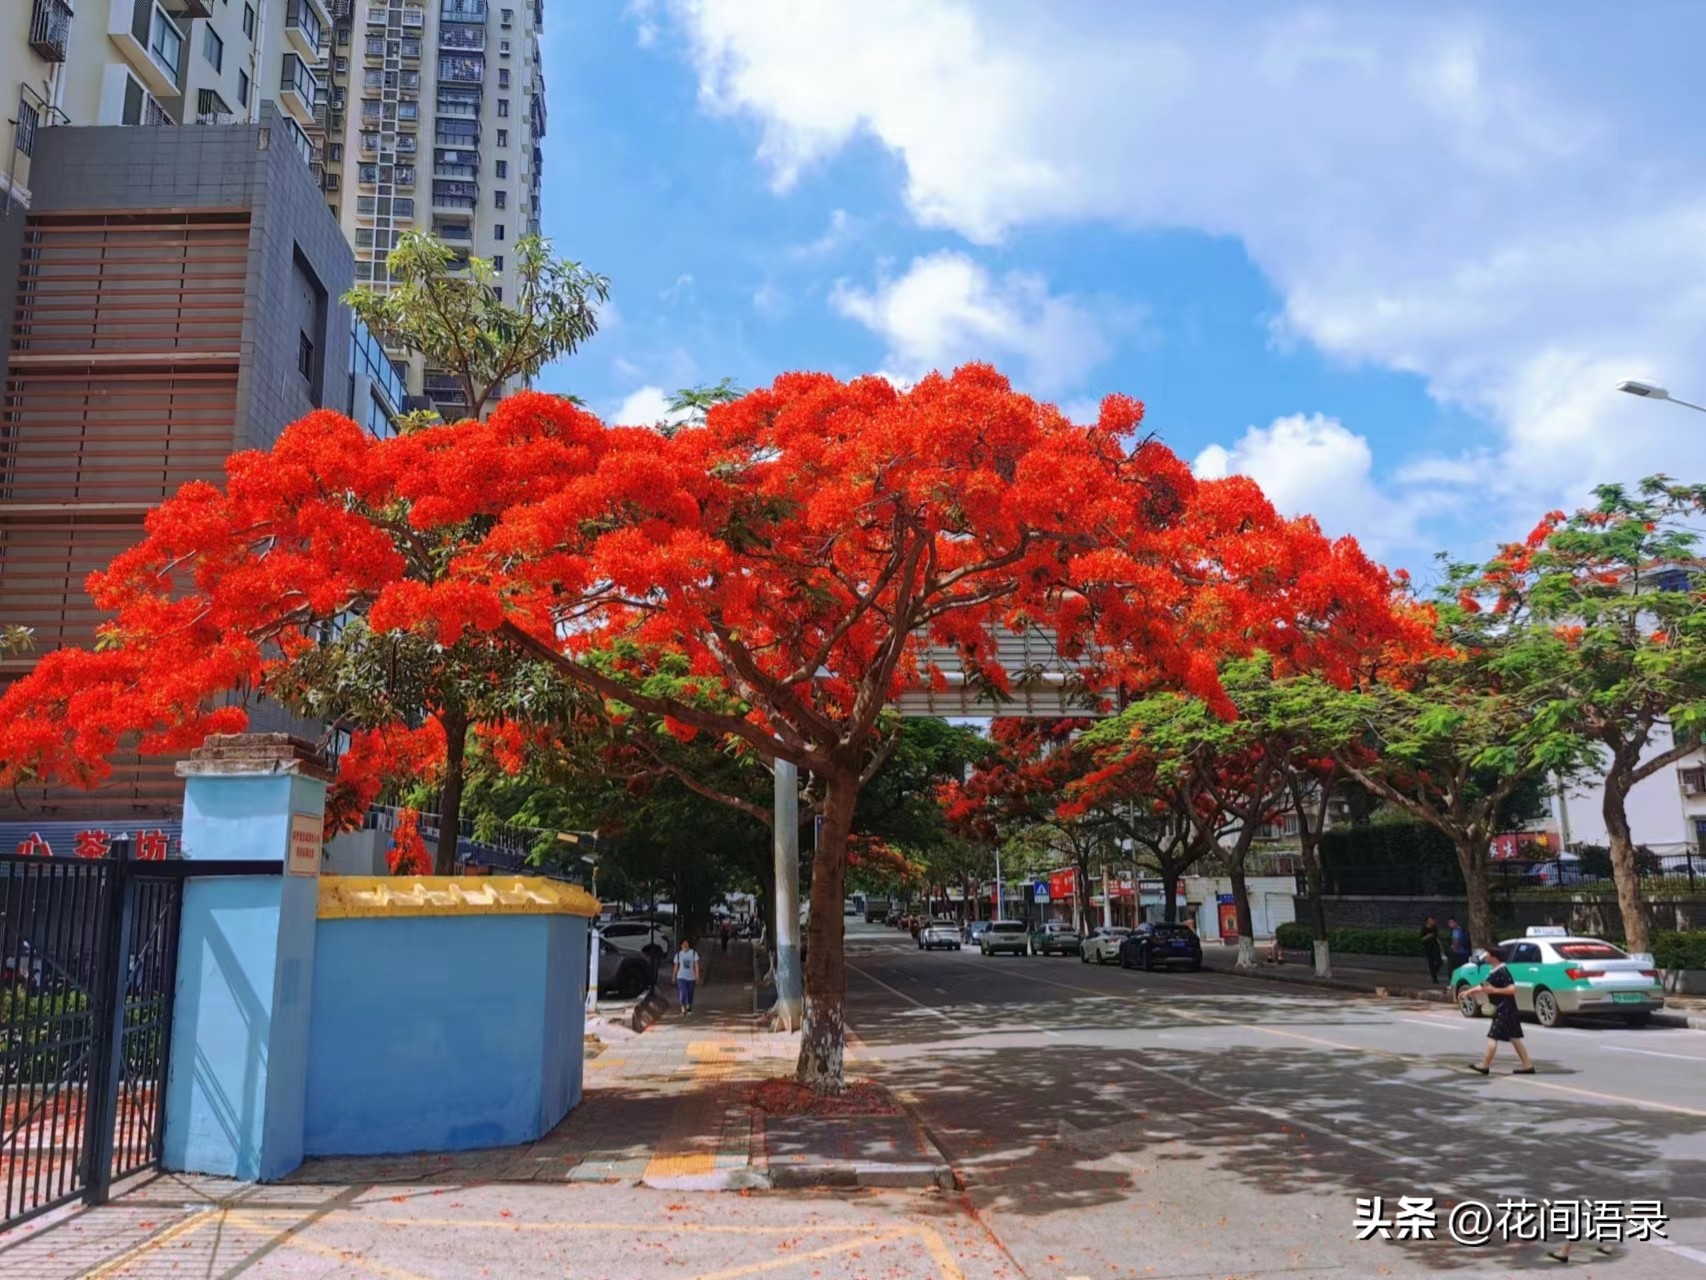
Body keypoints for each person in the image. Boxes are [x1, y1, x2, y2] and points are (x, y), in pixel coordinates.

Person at [1462, 944, 1535, 1075]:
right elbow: (1484, 986)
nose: (1485, 956)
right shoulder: (1494, 970)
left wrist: (1494, 990)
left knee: (1493, 1036)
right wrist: (1469, 991)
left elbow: (1512, 989)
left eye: (1487, 954)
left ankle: (1484, 1065)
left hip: (1504, 1010)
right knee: (1514, 1037)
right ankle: (1527, 1065)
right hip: (1506, 1009)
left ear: (1494, 957)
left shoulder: (1502, 971)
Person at [674, 937, 701, 1016]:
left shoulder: (693, 953)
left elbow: (696, 965)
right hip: (681, 977)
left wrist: (697, 975)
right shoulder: (678, 954)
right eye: (683, 944)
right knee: (683, 992)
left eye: (687, 944)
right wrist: (674, 975)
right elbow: (676, 966)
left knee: (690, 993)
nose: (685, 945)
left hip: (691, 977)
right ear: (681, 945)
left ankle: (689, 1006)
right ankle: (683, 1008)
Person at [1421, 915, 1443, 985]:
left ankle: (1435, 972)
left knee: (1439, 961)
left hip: (1435, 947)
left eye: (1432, 920)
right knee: (1431, 963)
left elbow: (1437, 937)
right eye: (1430, 920)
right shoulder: (1424, 928)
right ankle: (1434, 978)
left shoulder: (1434, 928)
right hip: (1428, 948)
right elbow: (1422, 939)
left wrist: (1441, 946)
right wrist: (1428, 936)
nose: (1431, 922)